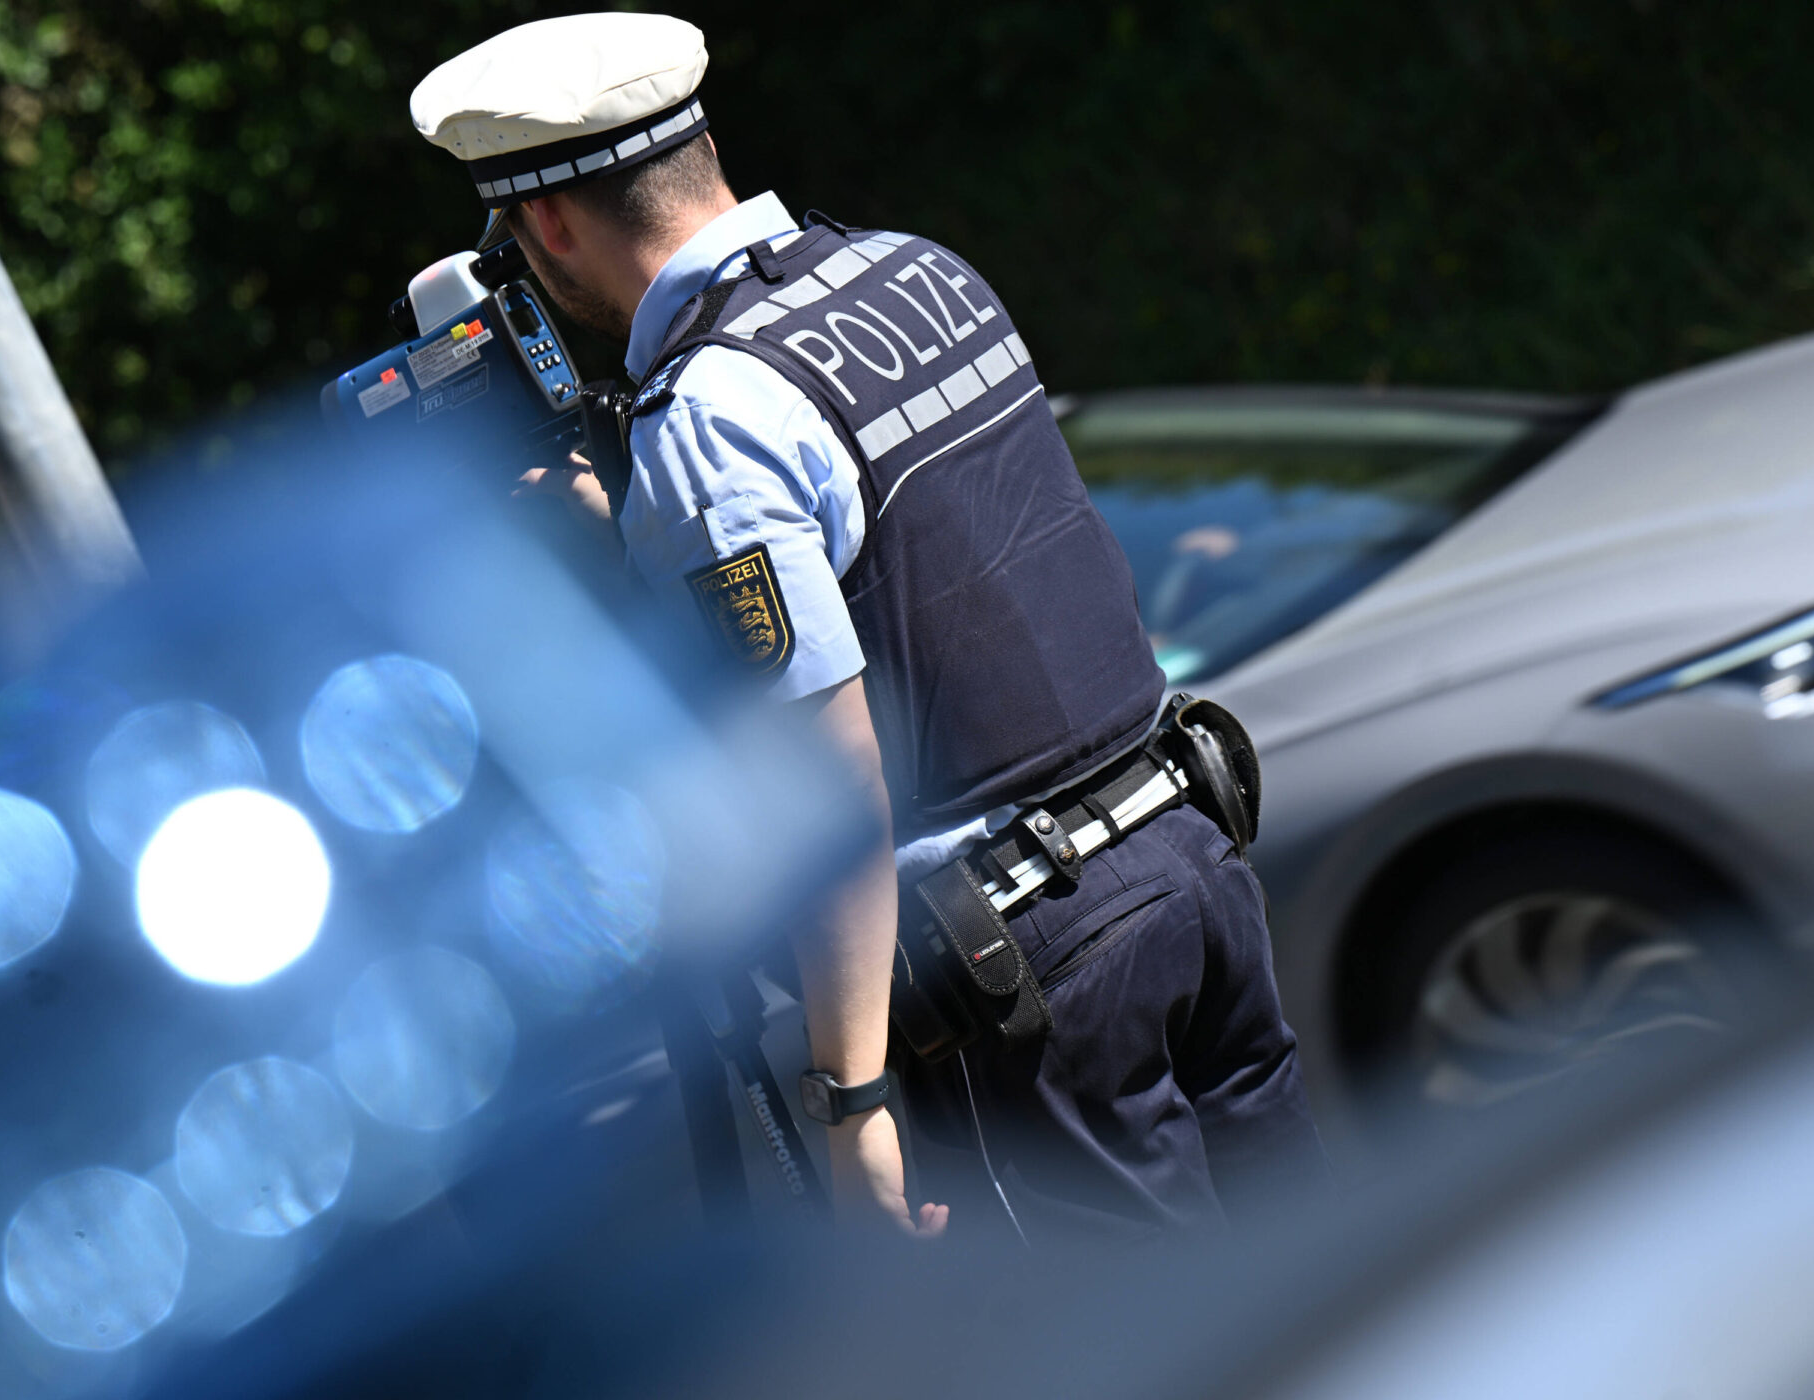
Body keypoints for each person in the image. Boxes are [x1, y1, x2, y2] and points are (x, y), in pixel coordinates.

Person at [410, 12, 1327, 1245]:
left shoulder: (707, 422)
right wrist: (617, 521)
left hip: (1035, 970)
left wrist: (854, 1100)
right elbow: (925, 571)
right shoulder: (914, 268)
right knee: (1321, 1291)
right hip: (1190, 863)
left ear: (550, 224)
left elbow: (824, 773)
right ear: (705, 146)